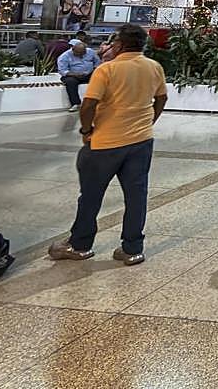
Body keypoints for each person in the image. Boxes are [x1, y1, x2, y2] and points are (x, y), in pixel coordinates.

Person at [48, 23, 166, 266]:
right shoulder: (154, 67)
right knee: (136, 196)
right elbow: (161, 98)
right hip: (141, 141)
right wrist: (149, 121)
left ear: (119, 45)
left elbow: (89, 104)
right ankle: (133, 249)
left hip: (105, 142)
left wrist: (86, 130)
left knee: (91, 196)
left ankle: (80, 245)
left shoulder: (107, 69)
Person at [58, 39, 100, 111]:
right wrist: (75, 74)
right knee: (70, 82)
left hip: (89, 73)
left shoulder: (90, 51)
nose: (81, 55)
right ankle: (76, 103)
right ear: (73, 49)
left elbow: (97, 62)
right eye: (79, 53)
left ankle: (99, 101)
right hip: (73, 75)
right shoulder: (64, 56)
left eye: (83, 53)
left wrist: (95, 70)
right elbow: (62, 71)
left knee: (100, 77)